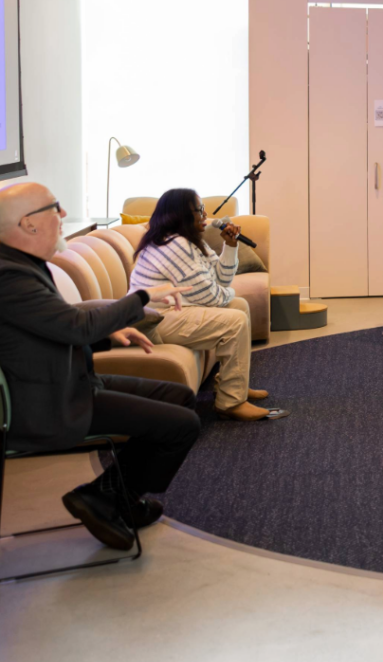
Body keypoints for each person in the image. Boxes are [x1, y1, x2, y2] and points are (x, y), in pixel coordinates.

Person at [0, 182, 200, 551]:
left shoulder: (23, 266)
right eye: (55, 207)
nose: (63, 216)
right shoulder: (9, 276)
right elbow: (77, 327)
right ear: (28, 223)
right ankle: (104, 497)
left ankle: (115, 497)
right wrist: (143, 297)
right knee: (182, 426)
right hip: (48, 405)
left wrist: (110, 337)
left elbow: (51, 331)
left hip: (70, 383)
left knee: (181, 398)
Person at [129, 189, 287, 422]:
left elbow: (221, 280)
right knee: (235, 319)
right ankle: (231, 403)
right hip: (155, 321)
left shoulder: (189, 241)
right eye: (200, 210)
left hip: (173, 311)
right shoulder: (175, 246)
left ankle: (232, 386)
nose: (206, 215)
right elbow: (212, 296)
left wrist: (230, 246)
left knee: (239, 305)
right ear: (182, 214)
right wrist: (226, 292)